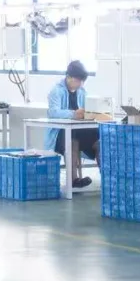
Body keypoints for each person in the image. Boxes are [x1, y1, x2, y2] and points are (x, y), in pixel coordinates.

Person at [46, 60, 100, 190]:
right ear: (68, 77)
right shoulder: (56, 91)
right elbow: (53, 112)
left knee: (100, 140)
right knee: (71, 138)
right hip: (61, 133)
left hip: (80, 130)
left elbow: (87, 108)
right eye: (78, 80)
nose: (80, 83)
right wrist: (73, 114)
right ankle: (73, 179)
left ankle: (108, 178)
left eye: (82, 81)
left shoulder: (82, 91)